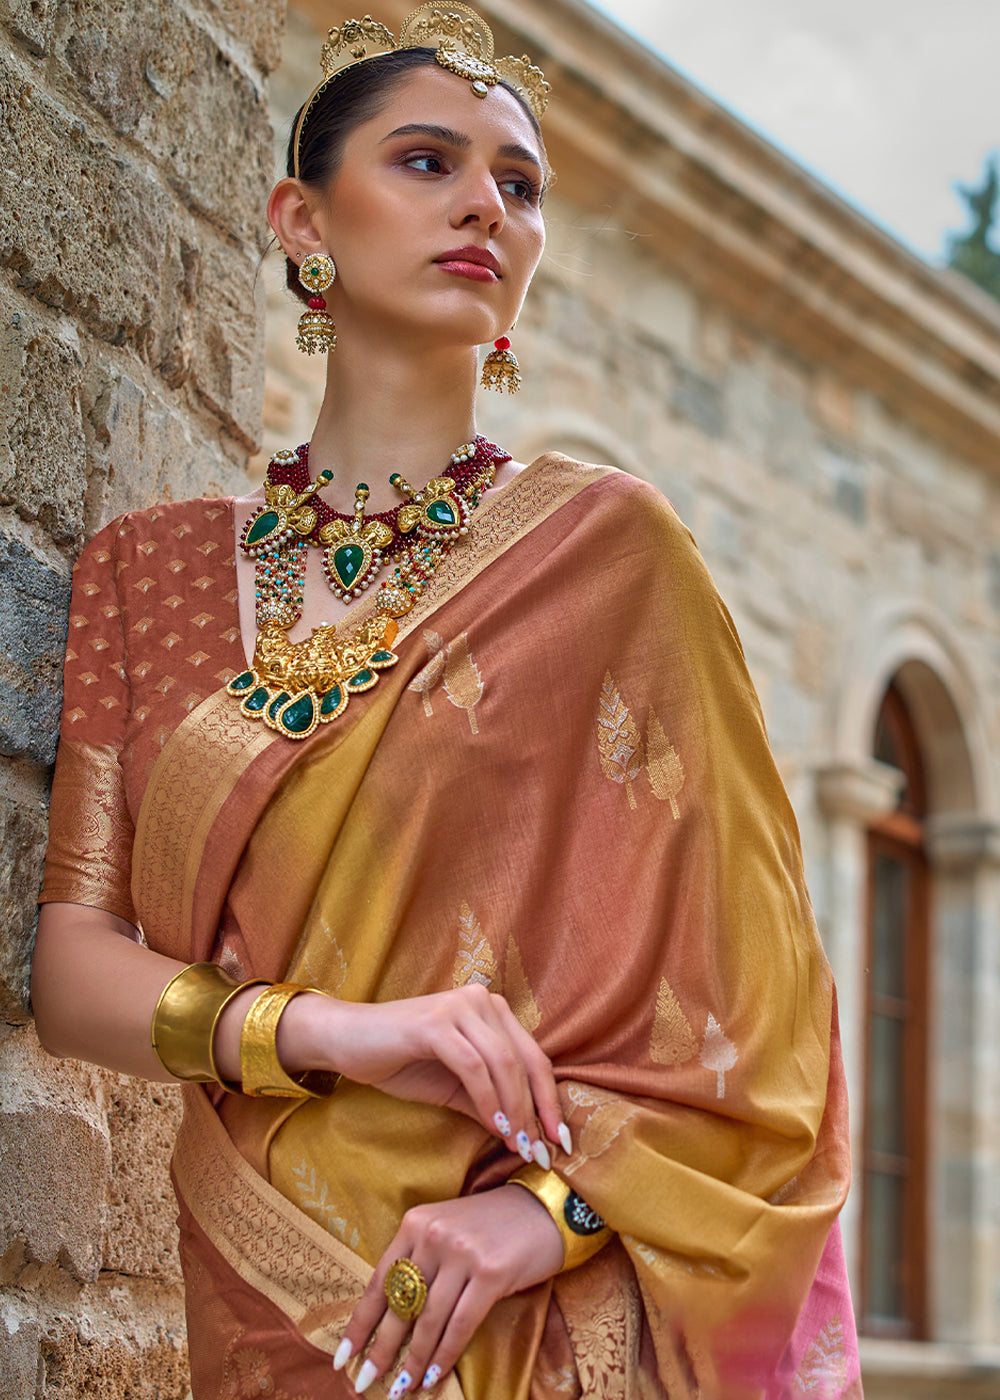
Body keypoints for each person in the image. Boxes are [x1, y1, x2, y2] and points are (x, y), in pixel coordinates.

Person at [31, 7, 862, 1397]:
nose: (485, 201)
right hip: (262, 1290)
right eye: (427, 162)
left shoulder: (613, 559)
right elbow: (72, 971)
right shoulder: (151, 571)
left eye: (519, 185)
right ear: (305, 221)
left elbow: (766, 1036)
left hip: (525, 1311)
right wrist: (335, 1031)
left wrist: (549, 1211)